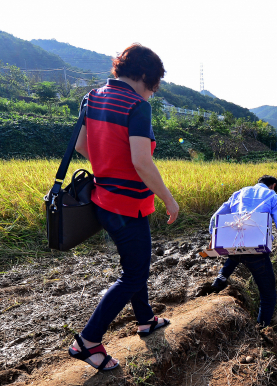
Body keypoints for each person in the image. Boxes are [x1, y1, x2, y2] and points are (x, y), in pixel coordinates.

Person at [68, 44, 178, 371]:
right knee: (134, 274)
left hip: (104, 200)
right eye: (154, 85)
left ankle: (145, 319)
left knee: (135, 264)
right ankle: (87, 342)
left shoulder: (93, 97)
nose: (153, 93)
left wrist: (108, 167)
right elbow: (142, 162)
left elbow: (81, 145)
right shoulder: (136, 105)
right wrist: (169, 200)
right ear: (144, 76)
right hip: (128, 205)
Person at [209, 175, 277, 327]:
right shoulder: (273, 196)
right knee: (268, 295)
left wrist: (214, 235)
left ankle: (220, 279)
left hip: (234, 244)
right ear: (273, 185)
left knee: (236, 254)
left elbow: (215, 217)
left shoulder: (238, 193)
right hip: (256, 250)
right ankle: (262, 329)